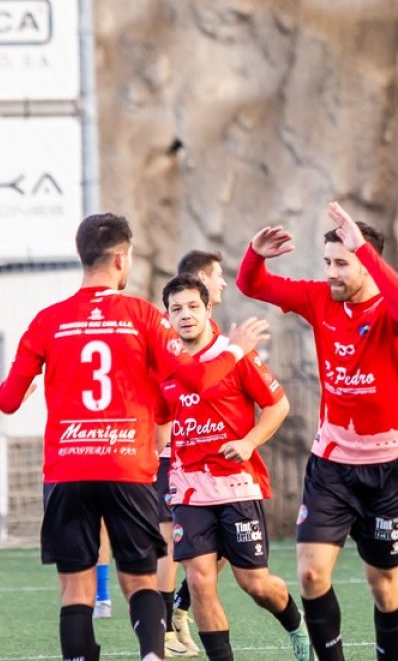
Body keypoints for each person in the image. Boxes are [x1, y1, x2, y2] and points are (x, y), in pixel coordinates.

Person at [0, 213, 269, 661]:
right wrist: (236, 347)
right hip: (128, 468)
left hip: (68, 471)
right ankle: (151, 656)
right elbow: (194, 380)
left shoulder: (47, 320)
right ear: (122, 258)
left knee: (76, 590)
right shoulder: (142, 315)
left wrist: (24, 388)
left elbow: (6, 401)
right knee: (141, 581)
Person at [237, 202, 398, 661]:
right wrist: (255, 255)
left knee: (383, 584)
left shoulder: (390, 313)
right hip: (332, 466)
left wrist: (369, 255)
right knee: (311, 575)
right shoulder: (320, 298)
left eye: (342, 263)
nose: (332, 273)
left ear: (368, 264)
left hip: (390, 470)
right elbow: (251, 284)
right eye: (327, 263)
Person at [155, 273, 311, 661]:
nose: (185, 315)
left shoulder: (236, 354)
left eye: (193, 306)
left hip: (238, 487)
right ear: (167, 315)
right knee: (200, 580)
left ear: (209, 309)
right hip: (188, 489)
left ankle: (296, 622)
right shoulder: (167, 365)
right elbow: (159, 420)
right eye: (176, 309)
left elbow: (278, 405)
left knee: (254, 584)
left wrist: (248, 441)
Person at [160, 250, 230, 656]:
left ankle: (181, 607)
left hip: (213, 463)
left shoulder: (212, 329)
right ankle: (165, 629)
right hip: (174, 457)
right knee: (172, 544)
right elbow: (182, 387)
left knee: (218, 551)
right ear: (203, 278)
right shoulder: (174, 333)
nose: (223, 283)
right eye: (218, 276)